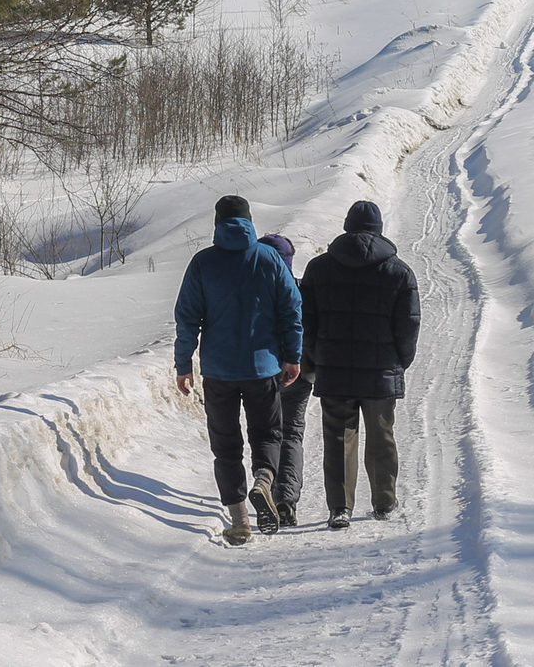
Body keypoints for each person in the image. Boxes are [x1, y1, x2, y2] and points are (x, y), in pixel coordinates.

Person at [175, 195, 303, 545]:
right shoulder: (270, 259)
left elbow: (187, 318)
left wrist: (183, 364)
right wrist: (293, 357)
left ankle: (240, 521)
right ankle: (264, 479)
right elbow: (291, 311)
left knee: (226, 446)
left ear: (217, 224)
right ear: (249, 221)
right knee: (268, 435)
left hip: (218, 372)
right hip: (263, 368)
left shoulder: (203, 263)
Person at [299, 200, 420, 530]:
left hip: (334, 370)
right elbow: (408, 325)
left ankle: (340, 507)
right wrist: (399, 363)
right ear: (379, 229)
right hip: (381, 371)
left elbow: (306, 323)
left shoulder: (318, 268)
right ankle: (384, 500)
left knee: (339, 438)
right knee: (381, 436)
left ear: (346, 225)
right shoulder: (399, 271)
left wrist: (315, 358)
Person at [258, 232, 311, 528]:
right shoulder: (300, 288)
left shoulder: (251, 291)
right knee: (291, 434)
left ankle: (264, 484)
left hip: (259, 372)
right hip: (297, 373)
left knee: (265, 433)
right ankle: (286, 500)